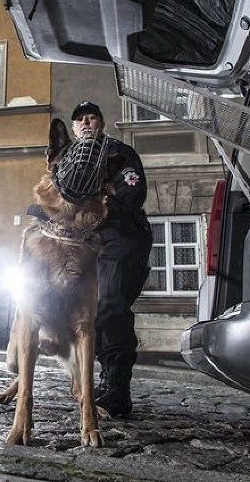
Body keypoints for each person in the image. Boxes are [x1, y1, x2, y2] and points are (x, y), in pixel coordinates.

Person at [70, 100, 153, 417]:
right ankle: (103, 381)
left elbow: (131, 194)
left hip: (123, 235)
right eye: (80, 120)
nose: (86, 122)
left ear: (101, 124)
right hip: (89, 242)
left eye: (92, 117)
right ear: (75, 127)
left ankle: (118, 389)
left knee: (110, 305)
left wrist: (92, 207)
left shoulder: (119, 153)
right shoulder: (69, 160)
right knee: (89, 312)